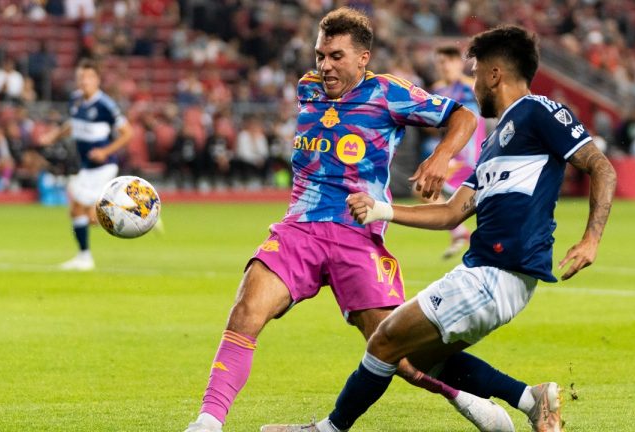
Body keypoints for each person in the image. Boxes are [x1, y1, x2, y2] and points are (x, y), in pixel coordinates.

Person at [184, 7, 530, 432]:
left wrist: (441, 157)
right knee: (244, 314)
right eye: (320, 55)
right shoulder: (307, 88)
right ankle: (207, 423)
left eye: (336, 56)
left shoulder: (388, 93)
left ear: (363, 58)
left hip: (357, 234)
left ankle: (481, 403)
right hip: (299, 228)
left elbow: (463, 116)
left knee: (399, 352)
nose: (324, 66)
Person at [269, 24, 617, 432]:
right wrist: (382, 210)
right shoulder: (495, 144)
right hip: (483, 272)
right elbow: (451, 213)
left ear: (494, 74)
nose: (471, 83)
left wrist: (592, 238)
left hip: (497, 274)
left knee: (383, 340)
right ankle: (531, 398)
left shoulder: (538, 110)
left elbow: (601, 167)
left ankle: (329, 429)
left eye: (474, 73)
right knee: (415, 356)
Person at [38, 59, 133, 271]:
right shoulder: (75, 100)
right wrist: (54, 135)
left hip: (103, 167)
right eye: (81, 77)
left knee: (80, 210)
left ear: (97, 80)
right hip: (87, 167)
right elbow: (72, 124)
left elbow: (128, 133)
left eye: (89, 77)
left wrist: (104, 151)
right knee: (82, 214)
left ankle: (135, 215)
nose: (84, 81)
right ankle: (133, 214)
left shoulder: (105, 105)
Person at [418, 46, 487, 259]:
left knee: (422, 187)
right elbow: (430, 124)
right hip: (454, 156)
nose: (444, 66)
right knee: (422, 188)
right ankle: (461, 232)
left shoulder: (472, 87)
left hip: (472, 156)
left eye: (448, 61)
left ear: (459, 63)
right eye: (440, 62)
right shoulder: (437, 91)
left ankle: (460, 231)